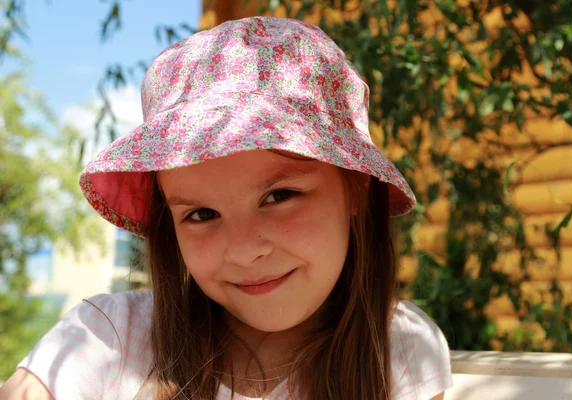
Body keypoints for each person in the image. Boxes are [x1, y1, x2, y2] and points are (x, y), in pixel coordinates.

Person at [0, 16, 453, 400]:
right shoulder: (107, 339)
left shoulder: (399, 348)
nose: (242, 250)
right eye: (200, 214)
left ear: (355, 187)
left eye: (279, 196)